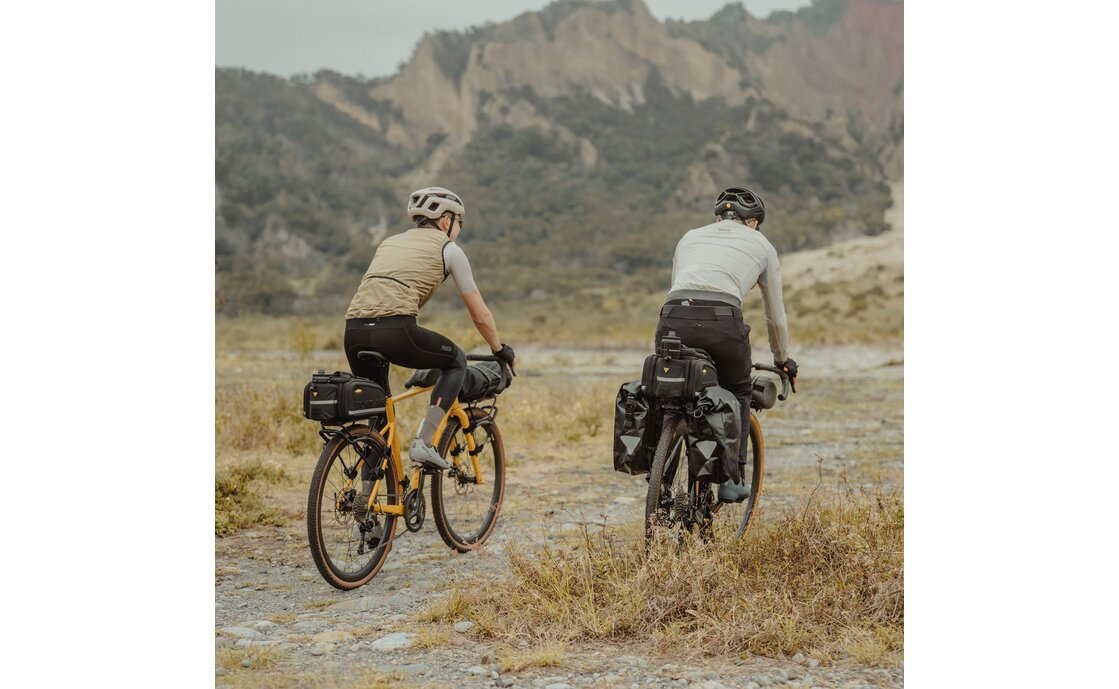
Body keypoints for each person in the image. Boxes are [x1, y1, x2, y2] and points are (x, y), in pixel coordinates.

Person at [343, 187, 515, 527]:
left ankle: (368, 504)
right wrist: (499, 349)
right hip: (396, 328)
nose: (460, 228)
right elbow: (479, 314)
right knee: (455, 360)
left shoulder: (388, 243)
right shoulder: (450, 249)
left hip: (353, 330)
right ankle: (425, 441)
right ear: (447, 220)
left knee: (379, 417)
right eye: (459, 222)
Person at [655, 186, 797, 503]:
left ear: (720, 217)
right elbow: (775, 316)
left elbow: (678, 287)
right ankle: (733, 477)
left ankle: (660, 474)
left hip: (672, 317)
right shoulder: (762, 244)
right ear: (752, 222)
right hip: (722, 323)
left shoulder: (690, 236)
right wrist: (782, 359)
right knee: (739, 390)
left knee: (672, 393)